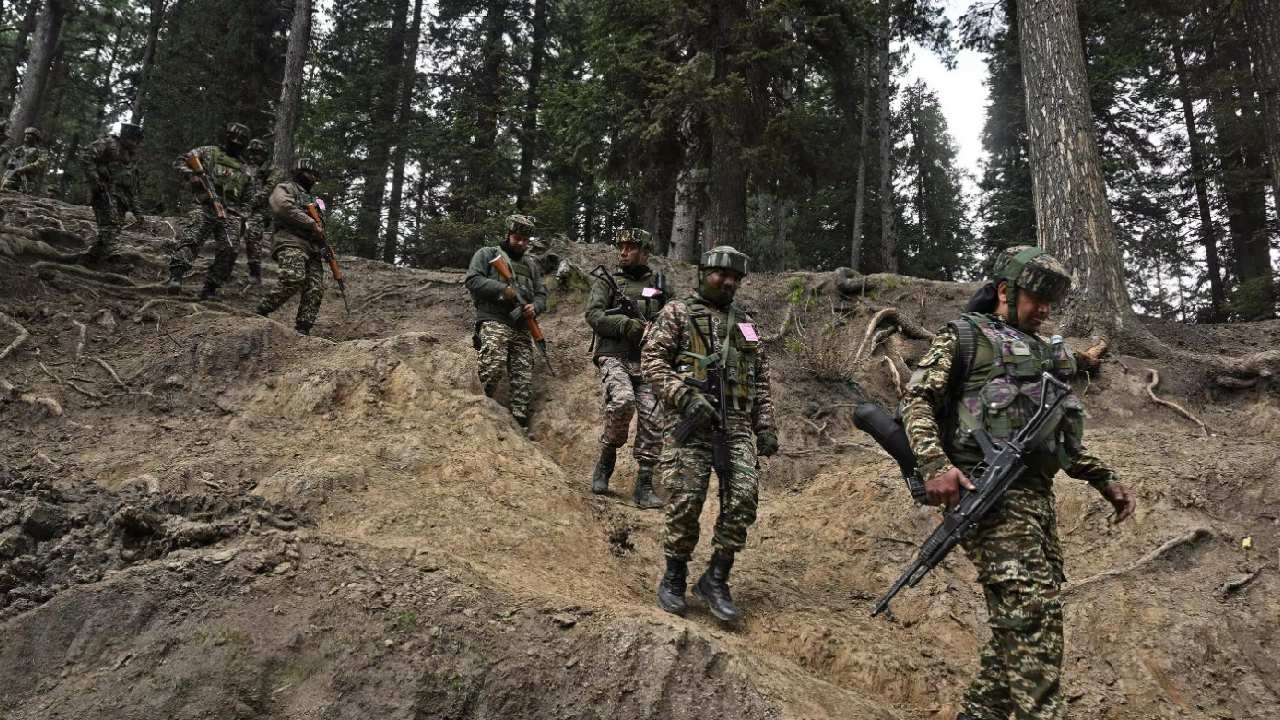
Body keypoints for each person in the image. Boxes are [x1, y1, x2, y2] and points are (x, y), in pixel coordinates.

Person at [900, 246, 1136, 720]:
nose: (1044, 310)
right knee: (1033, 623)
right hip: (986, 498)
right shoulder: (965, 336)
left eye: (1051, 302)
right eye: (1036, 298)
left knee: (1028, 622)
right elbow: (917, 400)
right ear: (1006, 291)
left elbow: (1050, 431)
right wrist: (934, 466)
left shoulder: (1040, 350)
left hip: (1036, 503)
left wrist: (1102, 479)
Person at [643, 245, 778, 623]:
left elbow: (759, 378)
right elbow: (652, 362)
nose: (729, 282)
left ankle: (716, 577)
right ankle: (674, 576)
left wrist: (765, 425)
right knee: (687, 501)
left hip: (735, 425)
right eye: (722, 275)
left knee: (743, 499)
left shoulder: (746, 324)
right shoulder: (678, 312)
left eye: (735, 278)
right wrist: (684, 396)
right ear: (704, 273)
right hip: (692, 424)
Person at [584, 228, 669, 508]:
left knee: (654, 418)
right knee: (622, 401)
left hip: (647, 360)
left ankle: (644, 485)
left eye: (630, 247)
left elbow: (673, 317)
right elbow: (593, 314)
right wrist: (624, 325)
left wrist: (655, 330)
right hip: (614, 355)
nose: (623, 252)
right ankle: (606, 459)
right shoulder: (608, 282)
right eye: (620, 247)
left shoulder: (658, 284)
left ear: (645, 252)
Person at [463, 215, 547, 431]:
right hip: (494, 317)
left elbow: (541, 294)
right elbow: (473, 280)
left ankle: (519, 422)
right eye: (517, 238)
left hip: (521, 324)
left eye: (525, 240)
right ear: (509, 235)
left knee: (523, 376)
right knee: (493, 364)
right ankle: (480, 409)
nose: (521, 243)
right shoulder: (488, 254)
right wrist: (504, 290)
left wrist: (534, 307)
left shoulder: (531, 265)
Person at [165, 122, 255, 298]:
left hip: (231, 213)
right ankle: (176, 276)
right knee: (192, 237)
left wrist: (242, 216)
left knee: (230, 249)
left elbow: (249, 198)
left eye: (240, 140)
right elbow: (181, 161)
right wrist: (192, 176)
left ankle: (211, 288)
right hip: (204, 205)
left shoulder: (246, 170)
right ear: (227, 136)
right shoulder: (208, 152)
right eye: (233, 137)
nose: (236, 142)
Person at [254, 158, 327, 336]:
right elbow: (282, 207)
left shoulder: (318, 201)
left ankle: (303, 329)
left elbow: (322, 226)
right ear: (299, 172)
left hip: (313, 248)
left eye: (315, 175)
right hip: (290, 240)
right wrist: (310, 222)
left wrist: (324, 244)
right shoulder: (286, 188)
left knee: (315, 288)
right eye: (309, 173)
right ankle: (261, 310)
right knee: (293, 278)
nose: (312, 177)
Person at [80, 123, 143, 262]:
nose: (136, 144)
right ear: (126, 136)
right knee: (110, 227)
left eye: (137, 141)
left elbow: (132, 188)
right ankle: (115, 259)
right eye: (134, 140)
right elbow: (86, 155)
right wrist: (95, 180)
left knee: (111, 231)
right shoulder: (109, 143)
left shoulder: (130, 158)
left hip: (121, 201)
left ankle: (90, 258)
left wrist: (138, 212)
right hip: (104, 192)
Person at [242, 138, 281, 285]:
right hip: (239, 208)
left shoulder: (272, 170)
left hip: (261, 211)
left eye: (257, 153)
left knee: (252, 230)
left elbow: (267, 191)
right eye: (251, 153)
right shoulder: (244, 168)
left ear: (264, 155)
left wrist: (249, 205)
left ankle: (255, 271)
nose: (253, 157)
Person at [2, 127, 48, 193]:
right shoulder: (19, 149)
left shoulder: (42, 151)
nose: (26, 135)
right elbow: (11, 162)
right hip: (13, 177)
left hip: (28, 179)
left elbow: (40, 163)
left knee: (23, 196)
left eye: (30, 134)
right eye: (26, 134)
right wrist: (11, 163)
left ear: (36, 138)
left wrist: (24, 168)